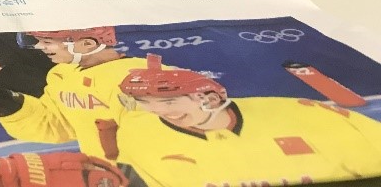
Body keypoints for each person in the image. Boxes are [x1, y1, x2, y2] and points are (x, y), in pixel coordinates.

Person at [116, 54, 381, 186]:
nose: (156, 111)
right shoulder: (136, 131)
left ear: (209, 99)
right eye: (144, 102)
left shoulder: (310, 115)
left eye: (167, 102)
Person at [0, 27, 152, 160]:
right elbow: (53, 124)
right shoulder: (63, 75)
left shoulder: (142, 79)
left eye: (47, 42)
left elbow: (159, 141)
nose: (40, 47)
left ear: (87, 43)